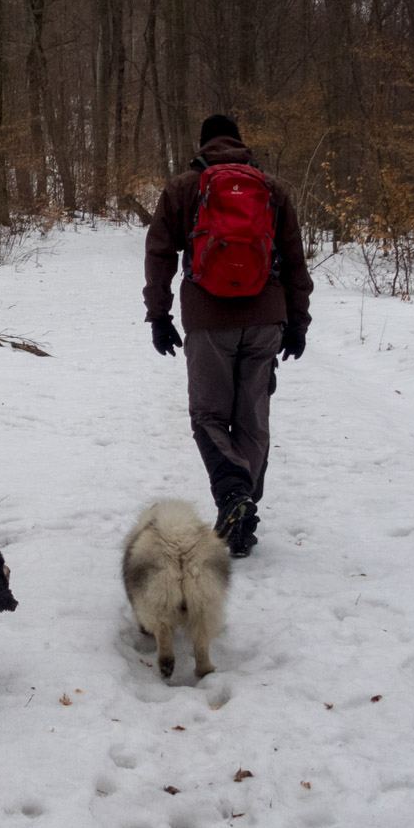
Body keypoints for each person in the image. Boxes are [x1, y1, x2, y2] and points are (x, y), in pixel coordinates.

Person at [143, 114, 312, 558]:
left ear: (202, 145)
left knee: (209, 416)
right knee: (253, 418)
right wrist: (298, 323)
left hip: (208, 318)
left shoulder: (184, 188)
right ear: (240, 143)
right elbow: (295, 263)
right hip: (265, 318)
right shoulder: (271, 188)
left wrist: (158, 314)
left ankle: (233, 495)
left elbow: (159, 252)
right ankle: (243, 505)